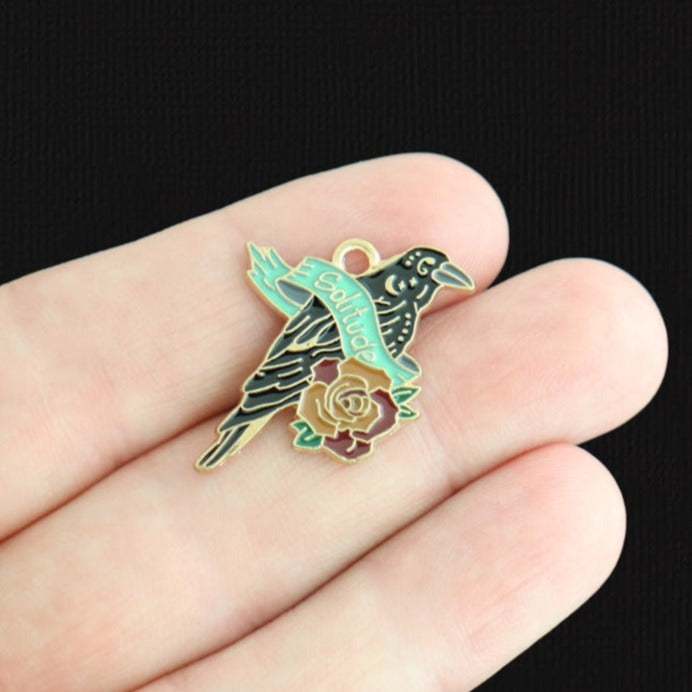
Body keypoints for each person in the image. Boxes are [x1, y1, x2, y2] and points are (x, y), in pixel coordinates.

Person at [0, 153, 667, 690]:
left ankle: (240, 427)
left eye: (431, 274)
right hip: (299, 367)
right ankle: (239, 427)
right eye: (425, 273)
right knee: (252, 413)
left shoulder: (395, 308)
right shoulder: (371, 297)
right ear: (405, 274)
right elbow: (318, 339)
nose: (430, 280)